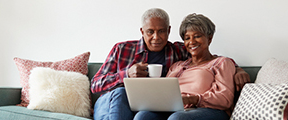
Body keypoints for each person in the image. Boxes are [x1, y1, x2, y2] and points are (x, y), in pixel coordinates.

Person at [91, 8, 249, 120]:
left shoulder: (177, 51)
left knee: (160, 116)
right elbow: (95, 85)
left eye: (161, 31)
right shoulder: (123, 49)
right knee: (125, 96)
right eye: (150, 31)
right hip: (114, 103)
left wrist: (238, 69)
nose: (156, 37)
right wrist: (126, 75)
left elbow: (214, 61)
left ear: (168, 30)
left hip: (194, 109)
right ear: (142, 31)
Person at [134, 13, 237, 120]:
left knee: (177, 118)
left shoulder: (220, 63)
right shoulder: (177, 66)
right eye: (187, 38)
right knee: (143, 115)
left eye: (197, 36)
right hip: (176, 109)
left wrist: (192, 99)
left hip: (209, 110)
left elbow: (225, 99)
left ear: (209, 38)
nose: (191, 42)